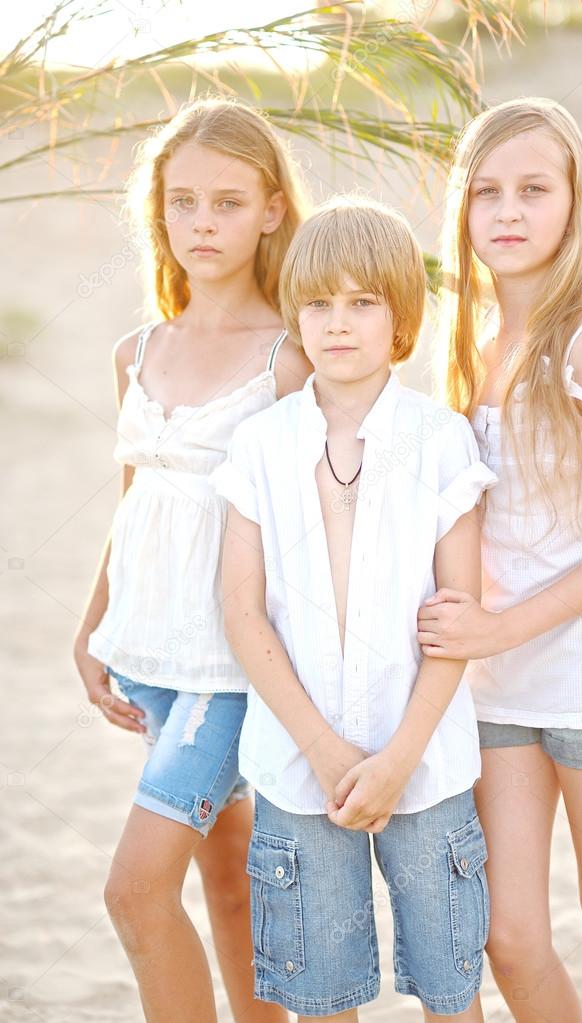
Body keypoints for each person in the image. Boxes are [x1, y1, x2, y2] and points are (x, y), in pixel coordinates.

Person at [419, 97, 582, 1022]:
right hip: (497, 683)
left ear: (573, 202)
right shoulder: (469, 350)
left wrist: (498, 626)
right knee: (509, 933)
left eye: (533, 189)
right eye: (485, 192)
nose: (508, 211)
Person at [210, 196, 498, 1021]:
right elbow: (241, 612)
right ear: (296, 315)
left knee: (450, 990)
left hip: (427, 762)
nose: (338, 322)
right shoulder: (259, 444)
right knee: (321, 994)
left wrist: (398, 757)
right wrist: (328, 753)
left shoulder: (440, 440)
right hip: (301, 769)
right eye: (318, 302)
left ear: (400, 318)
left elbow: (457, 617)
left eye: (363, 301)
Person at [73, 97, 311, 1023]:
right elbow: (137, 500)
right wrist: (92, 625)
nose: (202, 224)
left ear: (271, 210)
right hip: (154, 654)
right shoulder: (138, 350)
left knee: (134, 890)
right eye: (182, 203)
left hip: (230, 668)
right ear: (157, 212)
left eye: (226, 202)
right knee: (227, 880)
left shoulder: (288, 360)